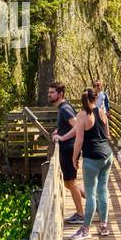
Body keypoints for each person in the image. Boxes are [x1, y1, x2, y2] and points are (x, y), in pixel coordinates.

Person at [70, 87, 114, 240]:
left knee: (90, 194)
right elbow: (107, 135)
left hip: (92, 158)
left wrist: (74, 158)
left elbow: (79, 140)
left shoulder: (81, 115)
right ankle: (103, 226)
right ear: (96, 98)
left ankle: (85, 229)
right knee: (102, 190)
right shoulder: (102, 112)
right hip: (107, 155)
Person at [48, 81, 85, 223]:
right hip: (67, 149)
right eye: (49, 92)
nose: (49, 95)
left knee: (71, 182)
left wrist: (62, 137)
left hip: (69, 149)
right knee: (69, 183)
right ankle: (97, 202)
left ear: (61, 94)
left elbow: (77, 126)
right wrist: (60, 130)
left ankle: (80, 215)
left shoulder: (64, 108)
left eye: (52, 92)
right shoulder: (63, 108)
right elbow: (70, 126)